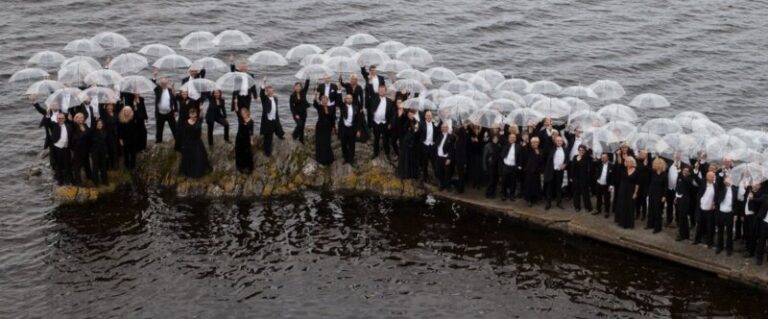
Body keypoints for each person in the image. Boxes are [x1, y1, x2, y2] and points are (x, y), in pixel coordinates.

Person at [179, 108, 212, 178]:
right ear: (189, 115)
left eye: (195, 116)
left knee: (200, 156)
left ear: (196, 115)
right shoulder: (185, 123)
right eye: (192, 116)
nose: (193, 118)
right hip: (189, 142)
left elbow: (202, 116)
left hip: (197, 142)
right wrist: (183, 144)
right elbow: (184, 134)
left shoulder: (199, 121)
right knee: (188, 157)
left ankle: (199, 173)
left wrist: (201, 110)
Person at [43, 111, 73, 185]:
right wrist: (47, 115)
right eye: (59, 118)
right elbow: (46, 123)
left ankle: (68, 180)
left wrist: (71, 120)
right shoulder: (53, 125)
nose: (61, 120)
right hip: (57, 148)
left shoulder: (68, 126)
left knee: (67, 164)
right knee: (58, 165)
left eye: (62, 118)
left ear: (65, 119)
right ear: (57, 119)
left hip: (66, 148)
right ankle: (60, 180)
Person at [366, 84, 394, 160]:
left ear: (385, 91)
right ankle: (375, 153)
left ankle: (387, 153)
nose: (381, 91)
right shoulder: (373, 99)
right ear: (378, 91)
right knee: (376, 139)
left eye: (383, 90)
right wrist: (370, 82)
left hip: (385, 123)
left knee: (386, 139)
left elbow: (392, 114)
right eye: (380, 90)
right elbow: (369, 90)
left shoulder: (390, 101)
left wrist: (390, 123)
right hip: (376, 123)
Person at [259, 78, 285, 157]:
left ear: (273, 91)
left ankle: (280, 135)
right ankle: (267, 152)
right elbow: (261, 93)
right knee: (268, 137)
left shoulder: (275, 98)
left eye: (271, 91)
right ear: (267, 92)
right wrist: (263, 82)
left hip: (274, 118)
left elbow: (275, 108)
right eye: (269, 91)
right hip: (268, 120)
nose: (270, 92)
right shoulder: (265, 99)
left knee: (278, 128)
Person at [151, 72, 178, 144]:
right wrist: (154, 76)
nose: (163, 85)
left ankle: (178, 142)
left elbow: (174, 100)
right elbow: (153, 84)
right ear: (160, 84)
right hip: (160, 114)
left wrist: (176, 110)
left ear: (167, 83)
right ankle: (158, 143)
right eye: (162, 83)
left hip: (169, 113)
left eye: (165, 83)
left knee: (174, 129)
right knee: (159, 130)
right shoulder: (158, 90)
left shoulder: (170, 90)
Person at [543, 136, 568, 210]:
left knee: (558, 187)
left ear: (562, 142)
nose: (559, 142)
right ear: (555, 141)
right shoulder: (551, 148)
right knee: (549, 187)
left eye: (560, 141)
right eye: (557, 141)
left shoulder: (565, 150)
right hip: (551, 171)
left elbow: (567, 159)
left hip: (560, 171)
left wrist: (565, 164)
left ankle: (559, 202)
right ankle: (548, 203)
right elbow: (547, 142)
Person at [694, 171, 717, 247]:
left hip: (710, 210)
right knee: (699, 225)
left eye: (714, 176)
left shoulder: (715, 185)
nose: (713, 178)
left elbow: (717, 196)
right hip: (701, 208)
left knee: (709, 227)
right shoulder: (703, 184)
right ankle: (697, 240)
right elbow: (699, 195)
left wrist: (714, 203)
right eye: (712, 176)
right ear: (707, 177)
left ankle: (709, 242)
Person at [338, 94, 362, 166]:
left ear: (352, 99)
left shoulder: (356, 107)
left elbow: (358, 120)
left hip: (352, 128)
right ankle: (346, 158)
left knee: (352, 144)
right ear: (345, 100)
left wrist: (358, 130)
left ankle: (351, 159)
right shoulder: (342, 106)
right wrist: (339, 91)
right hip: (344, 128)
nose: (349, 99)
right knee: (343, 144)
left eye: (350, 98)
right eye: (347, 98)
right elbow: (339, 100)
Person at [70, 113, 93, 185]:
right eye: (78, 118)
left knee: (87, 164)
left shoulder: (85, 125)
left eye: (82, 117)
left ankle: (89, 177)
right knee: (77, 166)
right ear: (75, 119)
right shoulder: (74, 126)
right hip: (78, 150)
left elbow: (90, 134)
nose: (80, 119)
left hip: (86, 148)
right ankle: (78, 181)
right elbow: (74, 139)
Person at [615, 156, 639, 229]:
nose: (628, 163)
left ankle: (629, 224)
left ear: (633, 162)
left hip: (631, 190)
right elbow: (619, 163)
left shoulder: (636, 171)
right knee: (622, 205)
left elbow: (637, 184)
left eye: (630, 161)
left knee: (630, 206)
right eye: (627, 161)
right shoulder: (623, 169)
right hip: (622, 189)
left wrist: (635, 193)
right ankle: (622, 222)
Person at [716, 176, 736, 255]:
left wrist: (735, 214)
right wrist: (723, 177)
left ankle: (729, 248)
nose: (728, 181)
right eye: (726, 179)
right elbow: (719, 181)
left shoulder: (734, 189)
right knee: (720, 230)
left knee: (729, 232)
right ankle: (719, 247)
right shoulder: (721, 188)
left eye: (729, 179)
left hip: (729, 213)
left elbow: (736, 203)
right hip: (721, 212)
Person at [396, 110, 420, 179]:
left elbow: (417, 133)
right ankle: (405, 173)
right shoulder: (406, 121)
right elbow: (403, 130)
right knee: (405, 158)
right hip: (406, 143)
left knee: (412, 159)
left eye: (411, 114)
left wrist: (416, 129)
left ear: (413, 115)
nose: (410, 116)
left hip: (413, 144)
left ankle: (412, 174)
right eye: (409, 115)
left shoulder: (416, 122)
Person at [647, 158, 668, 233]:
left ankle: (657, 227)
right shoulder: (653, 172)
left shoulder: (664, 174)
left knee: (657, 211)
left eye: (658, 164)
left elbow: (666, 186)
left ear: (662, 165)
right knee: (650, 209)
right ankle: (650, 224)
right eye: (655, 164)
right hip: (652, 193)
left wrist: (664, 196)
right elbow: (647, 167)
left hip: (659, 195)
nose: (657, 165)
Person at [313, 94, 335, 166]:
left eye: (325, 99)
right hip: (320, 127)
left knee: (327, 142)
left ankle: (328, 159)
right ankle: (320, 159)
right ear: (321, 101)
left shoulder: (331, 108)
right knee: (320, 142)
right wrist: (315, 97)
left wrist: (333, 127)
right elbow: (315, 104)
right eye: (323, 100)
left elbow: (332, 118)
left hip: (328, 127)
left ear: (327, 100)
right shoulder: (319, 107)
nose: (324, 101)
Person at [675, 166, 695, 241]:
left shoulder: (689, 179)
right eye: (684, 170)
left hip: (685, 200)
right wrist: (676, 197)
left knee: (683, 218)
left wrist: (679, 172)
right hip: (679, 198)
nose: (685, 172)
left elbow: (685, 181)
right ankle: (685, 234)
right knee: (681, 217)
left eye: (687, 171)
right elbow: (677, 187)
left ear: (689, 172)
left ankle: (682, 234)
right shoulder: (680, 177)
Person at [500, 133, 523, 201]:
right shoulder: (505, 145)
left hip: (514, 167)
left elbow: (520, 157)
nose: (512, 139)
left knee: (513, 182)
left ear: (515, 139)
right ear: (508, 138)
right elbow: (501, 155)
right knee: (504, 181)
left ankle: (511, 195)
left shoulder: (518, 146)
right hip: (506, 166)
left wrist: (519, 165)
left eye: (513, 138)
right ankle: (503, 195)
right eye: (511, 137)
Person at [523, 136, 544, 207]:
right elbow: (526, 146)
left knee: (536, 186)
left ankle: (535, 199)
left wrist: (538, 154)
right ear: (531, 143)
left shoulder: (540, 150)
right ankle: (529, 200)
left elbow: (541, 161)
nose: (535, 143)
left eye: (536, 142)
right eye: (533, 142)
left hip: (536, 171)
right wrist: (527, 141)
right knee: (529, 186)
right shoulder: (528, 149)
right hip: (529, 171)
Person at [570, 144, 592, 212]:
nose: (581, 151)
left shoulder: (587, 158)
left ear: (585, 151)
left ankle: (588, 207)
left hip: (584, 178)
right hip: (576, 178)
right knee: (576, 193)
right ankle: (577, 207)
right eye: (580, 150)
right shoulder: (575, 157)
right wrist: (571, 177)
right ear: (578, 150)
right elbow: (572, 168)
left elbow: (589, 153)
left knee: (585, 194)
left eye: (582, 150)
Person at [418, 110, 438, 181]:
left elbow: (437, 134)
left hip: (432, 146)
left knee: (434, 162)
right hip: (424, 145)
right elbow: (418, 135)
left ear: (432, 116)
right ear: (425, 116)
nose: (429, 116)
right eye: (427, 115)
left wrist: (435, 144)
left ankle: (437, 177)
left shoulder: (435, 124)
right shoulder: (421, 124)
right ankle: (425, 176)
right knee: (424, 162)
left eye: (430, 115)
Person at [593, 152, 614, 217]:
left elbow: (613, 176)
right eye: (602, 158)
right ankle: (598, 209)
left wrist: (611, 185)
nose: (603, 159)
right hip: (599, 183)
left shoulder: (611, 166)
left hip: (606, 184)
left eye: (604, 157)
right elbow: (594, 165)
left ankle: (606, 212)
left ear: (608, 158)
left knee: (607, 198)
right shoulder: (599, 163)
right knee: (598, 197)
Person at [89, 118, 109, 186]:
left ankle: (105, 181)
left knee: (103, 166)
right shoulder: (93, 132)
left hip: (103, 151)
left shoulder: (105, 132)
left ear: (102, 124)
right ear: (96, 125)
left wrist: (106, 152)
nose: (100, 125)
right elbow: (90, 143)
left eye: (101, 124)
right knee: (95, 167)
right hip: (95, 152)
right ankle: (96, 182)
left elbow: (106, 143)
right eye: (98, 124)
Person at [435, 122, 454, 191]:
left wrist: (449, 158)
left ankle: (448, 186)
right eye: (443, 127)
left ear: (448, 128)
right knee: (440, 172)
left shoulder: (451, 137)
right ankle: (442, 185)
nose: (444, 128)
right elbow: (436, 145)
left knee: (447, 173)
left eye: (445, 127)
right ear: (441, 128)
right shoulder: (439, 135)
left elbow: (452, 149)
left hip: (446, 157)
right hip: (439, 156)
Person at [235, 108, 254, 174]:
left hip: (246, 138)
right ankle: (240, 167)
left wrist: (251, 140)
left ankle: (249, 167)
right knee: (239, 152)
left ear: (247, 113)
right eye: (242, 113)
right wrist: (235, 102)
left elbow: (251, 132)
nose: (243, 115)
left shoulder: (251, 121)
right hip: (239, 138)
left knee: (247, 153)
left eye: (244, 113)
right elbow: (236, 111)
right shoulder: (240, 119)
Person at [482, 133, 501, 198]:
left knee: (495, 180)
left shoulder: (498, 146)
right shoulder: (488, 146)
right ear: (492, 139)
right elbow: (484, 157)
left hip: (496, 166)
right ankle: (488, 194)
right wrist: (484, 167)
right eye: (494, 139)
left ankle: (493, 193)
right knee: (491, 180)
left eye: (497, 139)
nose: (496, 140)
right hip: (490, 166)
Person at [453, 123, 469, 194]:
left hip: (461, 159)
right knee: (460, 174)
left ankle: (460, 189)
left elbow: (461, 131)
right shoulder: (459, 138)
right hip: (459, 158)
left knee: (461, 174)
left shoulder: (463, 137)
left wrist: (462, 125)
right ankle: (460, 188)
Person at [635, 151, 651, 220]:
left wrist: (646, 165)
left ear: (646, 155)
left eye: (643, 153)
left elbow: (651, 171)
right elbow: (637, 169)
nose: (641, 154)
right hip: (638, 183)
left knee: (643, 200)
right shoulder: (637, 160)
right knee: (637, 200)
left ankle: (644, 215)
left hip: (645, 185)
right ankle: (637, 214)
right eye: (640, 153)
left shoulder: (649, 162)